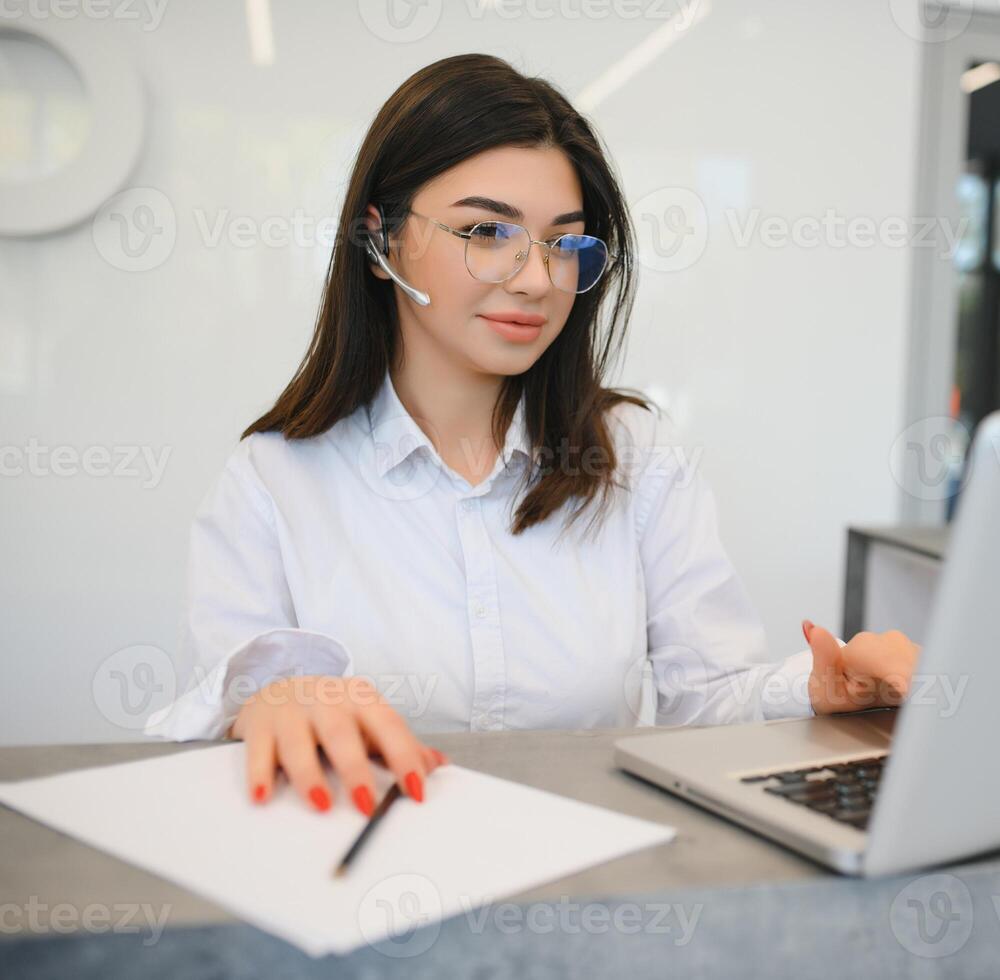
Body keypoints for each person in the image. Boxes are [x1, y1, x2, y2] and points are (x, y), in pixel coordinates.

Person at [142, 54, 920, 818]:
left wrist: (820, 690)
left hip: (593, 889)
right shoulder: (275, 480)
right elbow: (226, 713)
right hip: (366, 894)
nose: (536, 279)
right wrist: (263, 703)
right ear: (379, 243)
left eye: (563, 242)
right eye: (487, 231)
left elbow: (703, 702)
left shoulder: (634, 456)